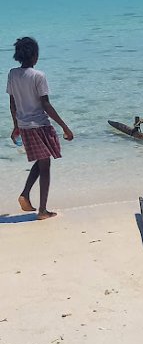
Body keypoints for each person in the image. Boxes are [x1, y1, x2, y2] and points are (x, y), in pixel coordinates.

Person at [7, 37, 73, 220]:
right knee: (45, 166)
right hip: (40, 125)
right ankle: (42, 211)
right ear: (34, 55)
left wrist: (16, 126)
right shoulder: (38, 76)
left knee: (42, 161)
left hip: (25, 126)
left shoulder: (12, 74)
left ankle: (25, 195)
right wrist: (65, 127)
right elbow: (46, 105)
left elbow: (12, 102)